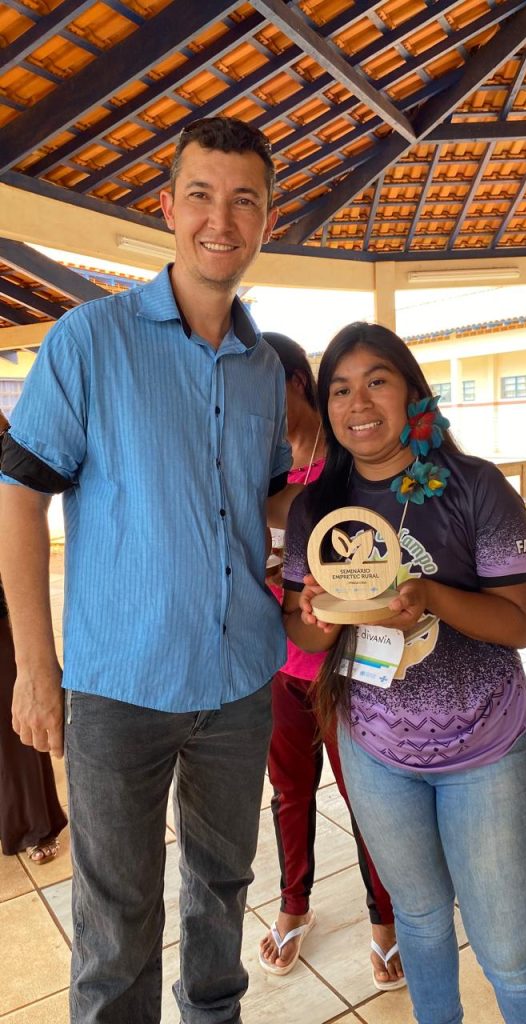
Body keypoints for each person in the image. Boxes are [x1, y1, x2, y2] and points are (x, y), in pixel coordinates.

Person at [0, 116, 292, 1024]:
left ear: (267, 219)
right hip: (120, 689)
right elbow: (20, 498)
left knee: (222, 891)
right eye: (200, 195)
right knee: (116, 923)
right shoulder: (90, 339)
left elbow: (266, 504)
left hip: (240, 682)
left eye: (244, 200)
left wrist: (359, 532)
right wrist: (35, 669)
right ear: (167, 207)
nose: (221, 220)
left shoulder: (264, 368)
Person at [280, 322, 526, 1024]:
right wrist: (319, 616)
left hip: (486, 749)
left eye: (376, 381)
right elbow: (299, 624)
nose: (357, 403)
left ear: (413, 392)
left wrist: (431, 594)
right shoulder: (318, 507)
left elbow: (520, 623)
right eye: (339, 389)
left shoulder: (476, 487)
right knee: (419, 919)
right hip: (376, 749)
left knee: (509, 950)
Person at [257, 333, 405, 990]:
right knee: (289, 791)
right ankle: (294, 904)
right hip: (278, 660)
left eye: (260, 387)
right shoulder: (261, 460)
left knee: (366, 796)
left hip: (348, 665)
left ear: (296, 381)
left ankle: (387, 919)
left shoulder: (348, 456)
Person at [0, 410, 67, 864]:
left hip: (2, 607)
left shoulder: (8, 446)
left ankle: (35, 824)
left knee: (15, 726)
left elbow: (18, 512)